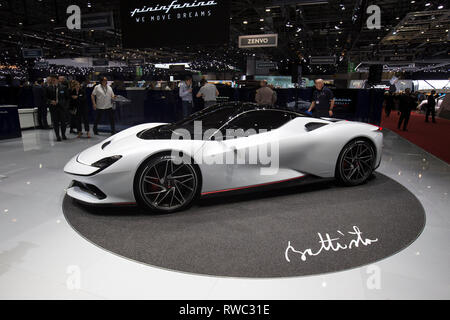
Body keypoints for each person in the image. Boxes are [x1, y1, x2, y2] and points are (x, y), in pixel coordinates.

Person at [45, 75, 69, 141]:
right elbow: (45, 98)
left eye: (54, 80)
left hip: (62, 108)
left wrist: (66, 106)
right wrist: (50, 101)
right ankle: (58, 136)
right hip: (53, 108)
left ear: (57, 80)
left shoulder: (63, 87)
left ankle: (63, 134)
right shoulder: (48, 88)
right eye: (52, 80)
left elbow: (67, 98)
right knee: (55, 123)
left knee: (63, 122)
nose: (53, 81)